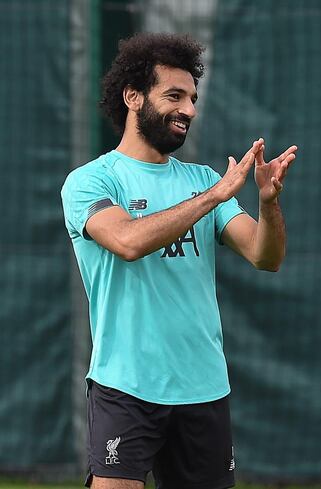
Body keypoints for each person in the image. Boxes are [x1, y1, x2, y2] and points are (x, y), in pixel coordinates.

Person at [60, 32, 296, 489]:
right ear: (133, 97)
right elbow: (127, 241)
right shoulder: (90, 182)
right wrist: (214, 196)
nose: (188, 109)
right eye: (174, 95)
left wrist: (268, 202)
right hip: (124, 386)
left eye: (192, 97)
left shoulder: (203, 180)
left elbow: (265, 257)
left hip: (204, 390)